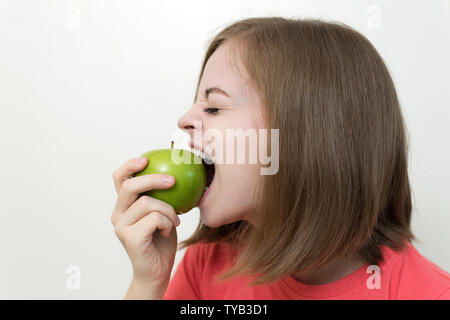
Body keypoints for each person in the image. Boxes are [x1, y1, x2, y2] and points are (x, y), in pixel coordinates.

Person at [111, 17, 450, 300]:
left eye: (214, 107)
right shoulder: (209, 265)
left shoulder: (424, 293)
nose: (185, 119)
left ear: (301, 137)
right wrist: (147, 284)